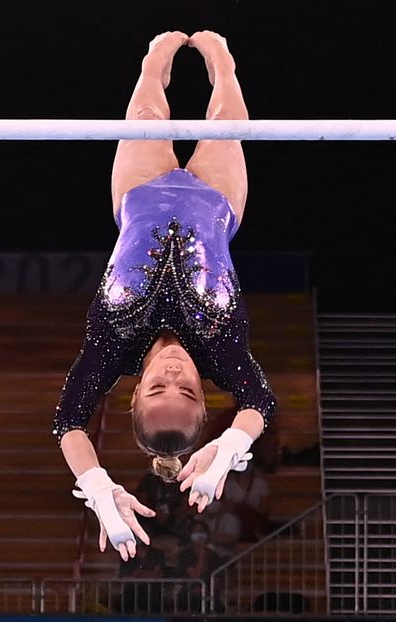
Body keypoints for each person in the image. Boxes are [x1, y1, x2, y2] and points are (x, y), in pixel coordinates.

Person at [55, 31, 275, 560]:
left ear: (133, 393)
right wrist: (228, 448)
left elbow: (67, 422)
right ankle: (222, 59)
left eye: (157, 390)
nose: (175, 376)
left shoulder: (112, 346)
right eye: (190, 392)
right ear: (206, 393)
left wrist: (101, 491)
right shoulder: (221, 352)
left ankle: (158, 55)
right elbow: (260, 403)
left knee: (148, 106)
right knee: (224, 121)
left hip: (140, 194)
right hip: (217, 202)